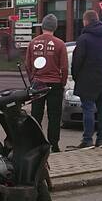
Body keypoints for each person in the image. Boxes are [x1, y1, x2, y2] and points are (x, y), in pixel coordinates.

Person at [70, 9, 102, 149]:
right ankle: (101, 140)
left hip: (86, 79)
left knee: (88, 108)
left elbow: (77, 60)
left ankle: (87, 140)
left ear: (86, 21)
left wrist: (76, 75)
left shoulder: (84, 39)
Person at [26, 14, 68, 152]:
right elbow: (64, 68)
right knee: (54, 116)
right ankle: (53, 145)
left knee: (36, 115)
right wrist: (62, 83)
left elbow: (28, 65)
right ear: (55, 27)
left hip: (38, 83)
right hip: (55, 84)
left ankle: (36, 144)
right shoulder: (60, 44)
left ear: (43, 26)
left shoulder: (33, 43)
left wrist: (32, 79)